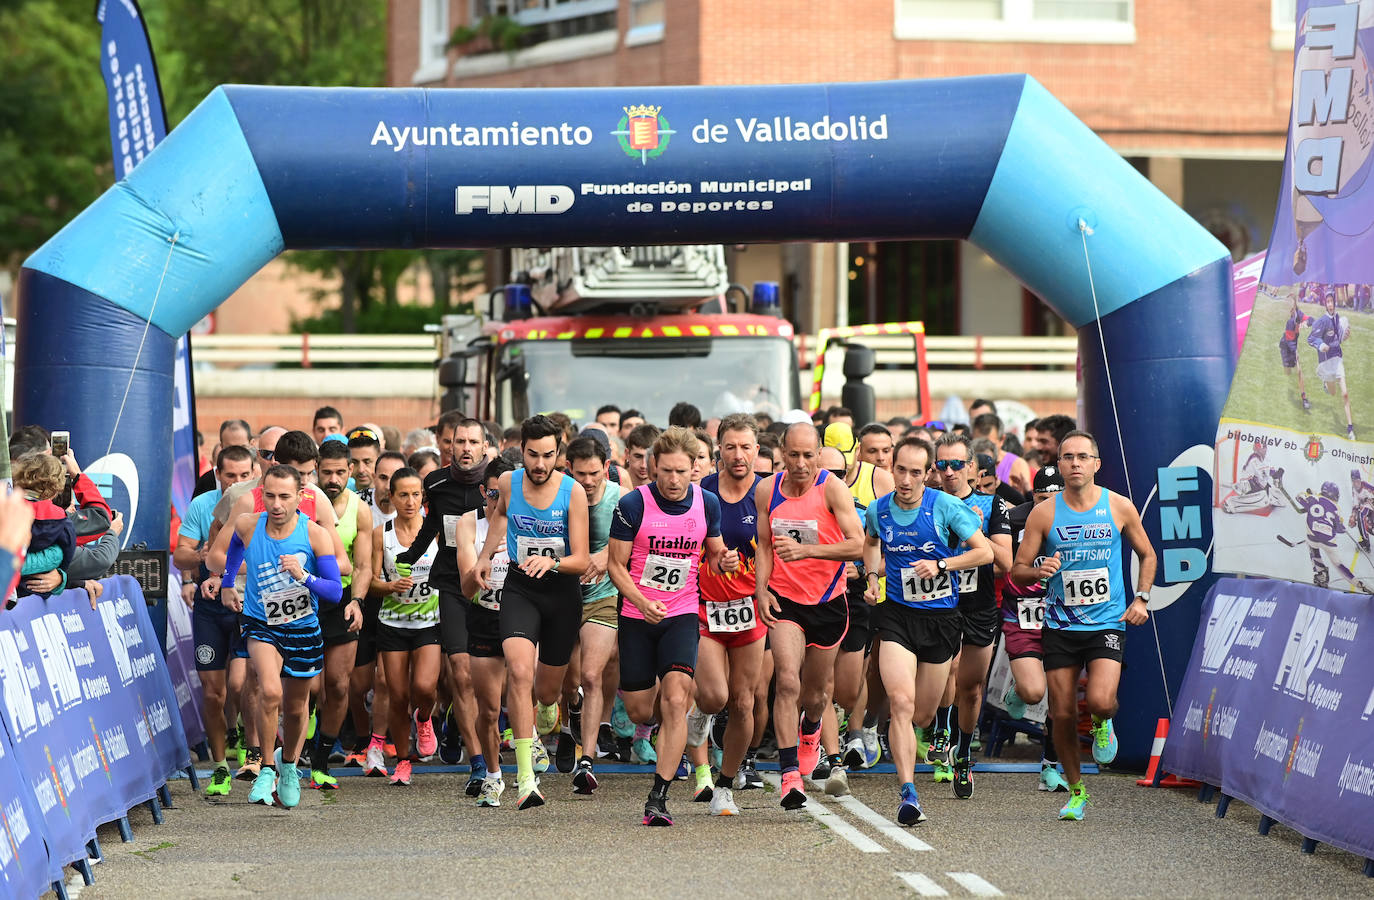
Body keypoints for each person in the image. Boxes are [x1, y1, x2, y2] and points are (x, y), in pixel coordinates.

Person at [1009, 431, 1158, 821]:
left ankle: (1103, 722)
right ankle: (1076, 791)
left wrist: (1142, 597)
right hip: (1060, 624)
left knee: (1099, 701)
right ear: (1059, 465)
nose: (1075, 463)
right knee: (1060, 714)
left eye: (1083, 457)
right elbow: (1018, 570)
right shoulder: (1045, 513)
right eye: (1068, 457)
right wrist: (1037, 569)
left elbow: (1147, 554)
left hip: (1107, 621)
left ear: (1096, 464)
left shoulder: (1118, 506)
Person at [863, 437, 992, 825]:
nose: (905, 479)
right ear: (892, 468)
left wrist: (942, 566)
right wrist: (872, 578)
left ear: (928, 474)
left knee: (921, 714)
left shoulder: (946, 507)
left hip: (940, 620)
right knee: (900, 703)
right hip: (897, 616)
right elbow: (870, 543)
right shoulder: (878, 510)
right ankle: (908, 793)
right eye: (899, 470)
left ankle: (933, 737)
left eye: (915, 472)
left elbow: (984, 552)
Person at [609, 427, 734, 825]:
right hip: (637, 615)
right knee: (642, 710)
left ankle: (658, 797)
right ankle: (665, 711)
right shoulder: (633, 504)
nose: (675, 480)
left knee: (676, 699)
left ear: (694, 466)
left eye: (683, 470)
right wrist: (642, 601)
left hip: (681, 612)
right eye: (667, 471)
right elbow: (615, 565)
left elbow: (713, 553)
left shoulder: (707, 502)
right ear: (652, 468)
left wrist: (724, 562)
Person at [212, 465, 343, 809]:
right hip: (260, 623)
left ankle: (289, 767)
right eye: (269, 495)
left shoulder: (315, 535)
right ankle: (267, 767)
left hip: (302, 627)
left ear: (300, 496)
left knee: (297, 708)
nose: (277, 504)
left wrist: (304, 577)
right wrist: (228, 585)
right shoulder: (247, 524)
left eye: (285, 496)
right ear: (261, 495)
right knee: (269, 690)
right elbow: (234, 550)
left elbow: (334, 592)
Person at [476, 415, 590, 810]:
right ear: (520, 451)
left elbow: (581, 558)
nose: (540, 465)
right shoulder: (508, 483)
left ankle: (548, 711)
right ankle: (525, 779)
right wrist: (485, 555)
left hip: (561, 595)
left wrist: (553, 563)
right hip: (520, 588)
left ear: (558, 453)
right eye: (532, 455)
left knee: (547, 690)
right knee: (519, 672)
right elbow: (501, 516)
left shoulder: (572, 492)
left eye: (548, 455)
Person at [754, 423, 865, 810]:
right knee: (786, 681)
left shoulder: (832, 488)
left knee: (815, 695)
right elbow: (765, 545)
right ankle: (789, 776)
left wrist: (808, 552)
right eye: (793, 455)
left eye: (808, 455)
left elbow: (857, 546)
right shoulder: (767, 489)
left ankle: (811, 730)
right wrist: (761, 588)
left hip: (828, 603)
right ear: (782, 453)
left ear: (818, 454)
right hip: (786, 601)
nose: (801, 464)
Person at [394, 416, 489, 785]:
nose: (465, 448)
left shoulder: (499, 484)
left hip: (492, 585)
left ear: (484, 446)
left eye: (472, 442)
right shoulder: (435, 482)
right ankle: (478, 762)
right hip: (451, 585)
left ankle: (453, 722)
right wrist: (406, 558)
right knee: (462, 675)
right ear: (449, 446)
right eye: (458, 441)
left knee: (488, 680)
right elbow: (431, 528)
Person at [930, 433, 1013, 799]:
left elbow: (1006, 563)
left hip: (978, 604)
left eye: (957, 464)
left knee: (971, 686)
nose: (949, 472)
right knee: (945, 671)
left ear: (973, 469)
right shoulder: (925, 502)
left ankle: (962, 753)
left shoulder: (993, 505)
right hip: (935, 604)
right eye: (942, 464)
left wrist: (971, 531)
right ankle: (939, 729)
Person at [172, 444, 256, 797]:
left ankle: (251, 752)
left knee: (239, 685)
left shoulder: (262, 505)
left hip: (246, 605)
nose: (237, 481)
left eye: (244, 475)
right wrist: (201, 555)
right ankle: (220, 766)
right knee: (213, 692)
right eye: (230, 475)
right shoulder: (203, 505)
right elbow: (180, 557)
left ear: (254, 475)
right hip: (210, 608)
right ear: (217, 475)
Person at [696, 414, 769, 814]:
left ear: (757, 451)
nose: (738, 455)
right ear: (718, 450)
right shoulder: (701, 492)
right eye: (730, 447)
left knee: (743, 702)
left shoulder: (768, 494)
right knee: (714, 696)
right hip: (706, 609)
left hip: (751, 612)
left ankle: (725, 784)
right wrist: (712, 557)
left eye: (746, 447)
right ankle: (697, 715)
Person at [999, 464, 1070, 793]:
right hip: (1022, 614)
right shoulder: (1014, 520)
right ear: (1032, 495)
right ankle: (1017, 689)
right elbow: (1001, 565)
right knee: (1033, 693)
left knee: (1059, 696)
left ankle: (1049, 767)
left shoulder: (1079, 519)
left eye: (1056, 497)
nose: (1048, 506)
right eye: (1042, 498)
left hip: (1063, 614)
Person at [368, 467, 440, 786]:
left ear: (423, 496)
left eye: (416, 494)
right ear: (391, 497)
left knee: (424, 688)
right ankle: (402, 760)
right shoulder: (379, 535)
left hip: (430, 621)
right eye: (403, 495)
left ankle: (423, 718)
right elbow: (369, 581)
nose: (410, 501)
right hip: (393, 623)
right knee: (397, 695)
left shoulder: (436, 530)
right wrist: (389, 587)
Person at [309, 439, 371, 789]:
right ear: (317, 469)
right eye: (326, 472)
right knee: (311, 684)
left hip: (343, 598)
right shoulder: (305, 504)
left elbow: (362, 565)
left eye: (339, 473)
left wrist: (358, 601)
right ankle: (299, 746)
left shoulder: (359, 509)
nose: (332, 479)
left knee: (337, 682)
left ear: (351, 471)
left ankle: (321, 760)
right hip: (308, 596)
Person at [564, 437, 623, 795]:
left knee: (590, 674)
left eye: (594, 473)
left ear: (607, 466)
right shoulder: (558, 495)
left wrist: (607, 557)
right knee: (563, 683)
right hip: (563, 595)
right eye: (580, 473)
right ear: (569, 468)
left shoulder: (621, 498)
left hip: (603, 596)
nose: (587, 481)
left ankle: (586, 761)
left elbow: (638, 542)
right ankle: (572, 708)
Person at [457, 457, 516, 806]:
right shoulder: (470, 524)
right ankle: (493, 776)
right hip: (485, 614)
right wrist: (483, 561)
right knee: (490, 709)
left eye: (507, 494)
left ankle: (530, 745)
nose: (500, 501)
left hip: (524, 617)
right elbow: (466, 588)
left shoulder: (530, 520)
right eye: (495, 493)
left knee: (530, 689)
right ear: (484, 492)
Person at [1307, 290, 1357, 439]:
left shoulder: (1337, 318)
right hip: (1326, 362)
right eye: (1327, 302)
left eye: (1332, 301)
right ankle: (1325, 382)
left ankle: (1350, 429)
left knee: (1345, 394)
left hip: (1337, 359)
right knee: (1333, 392)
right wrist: (1321, 344)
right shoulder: (1322, 321)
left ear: (1334, 303)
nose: (1330, 304)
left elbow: (1338, 339)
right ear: (1325, 304)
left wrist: (1345, 337)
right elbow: (1311, 338)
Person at [972, 413, 1033, 496]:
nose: (983, 449)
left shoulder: (1017, 465)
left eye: (989, 444)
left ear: (1002, 440)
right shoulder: (964, 464)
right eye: (978, 443)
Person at [1280, 292, 1315, 412]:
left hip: (1292, 344)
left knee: (1299, 371)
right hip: (1286, 346)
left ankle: (1304, 398)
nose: (1290, 309)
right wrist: (1296, 353)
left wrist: (1306, 323)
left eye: (1291, 306)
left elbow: (1312, 319)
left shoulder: (1299, 314)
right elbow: (1290, 342)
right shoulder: (1290, 323)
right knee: (1288, 371)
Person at [624, 423, 659, 489]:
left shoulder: (667, 486)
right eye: (638, 456)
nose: (644, 465)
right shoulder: (614, 483)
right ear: (627, 454)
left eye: (649, 458)